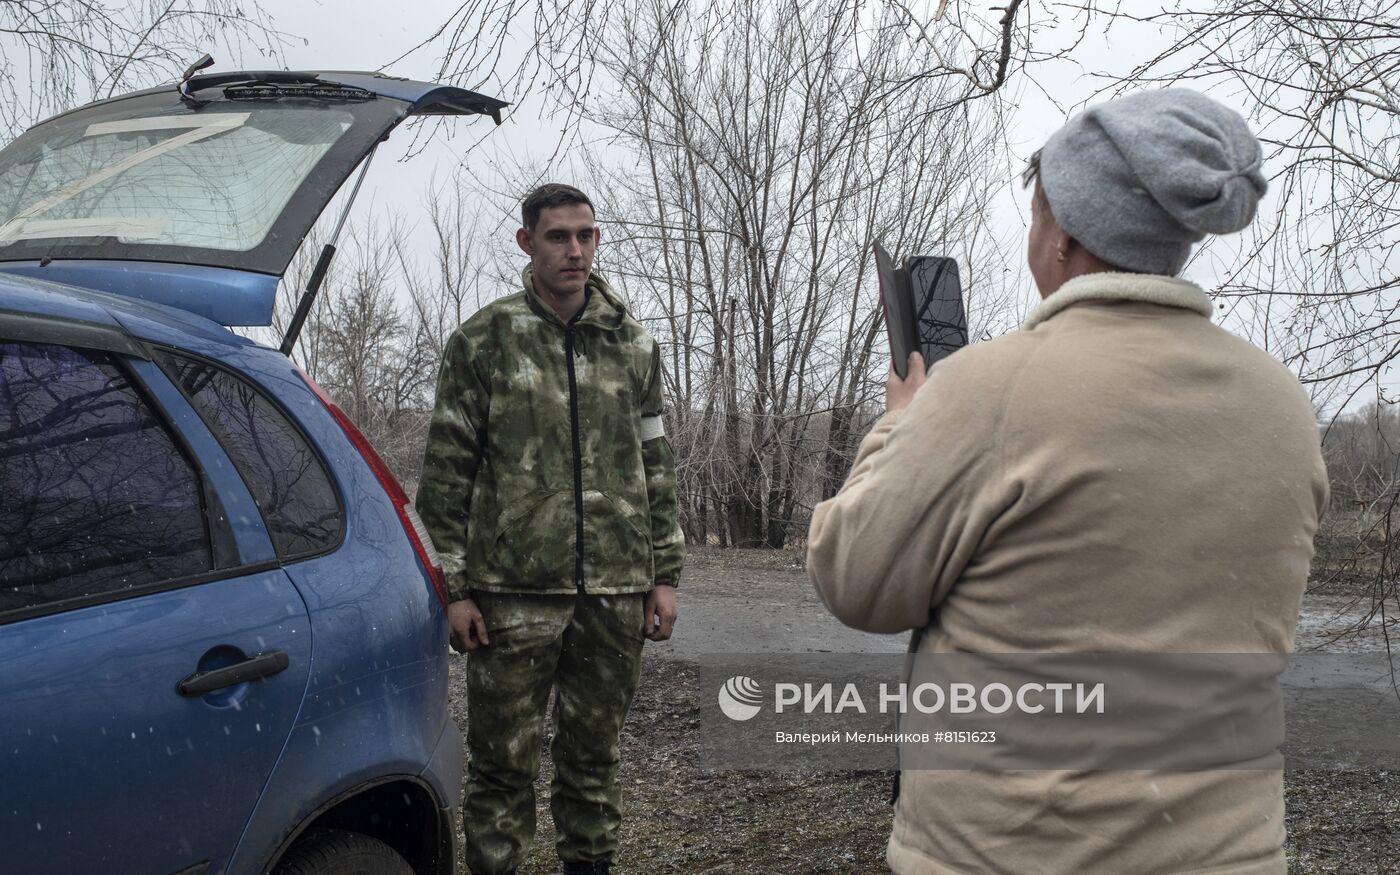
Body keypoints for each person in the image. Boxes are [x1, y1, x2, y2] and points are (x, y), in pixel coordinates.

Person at [807, 89, 1328, 874]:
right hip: (1228, 851)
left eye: (1037, 210)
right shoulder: (1281, 400)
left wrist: (902, 422)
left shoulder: (991, 387)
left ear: (1062, 238)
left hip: (1012, 852)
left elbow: (857, 579)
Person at [416, 183, 685, 875]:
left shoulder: (632, 344)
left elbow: (655, 463)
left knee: (593, 763)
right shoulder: (484, 340)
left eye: (586, 235)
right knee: (502, 767)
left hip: (616, 590)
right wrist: (455, 588)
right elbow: (446, 476)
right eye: (559, 235)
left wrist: (664, 573)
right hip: (512, 595)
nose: (574, 249)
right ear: (527, 242)